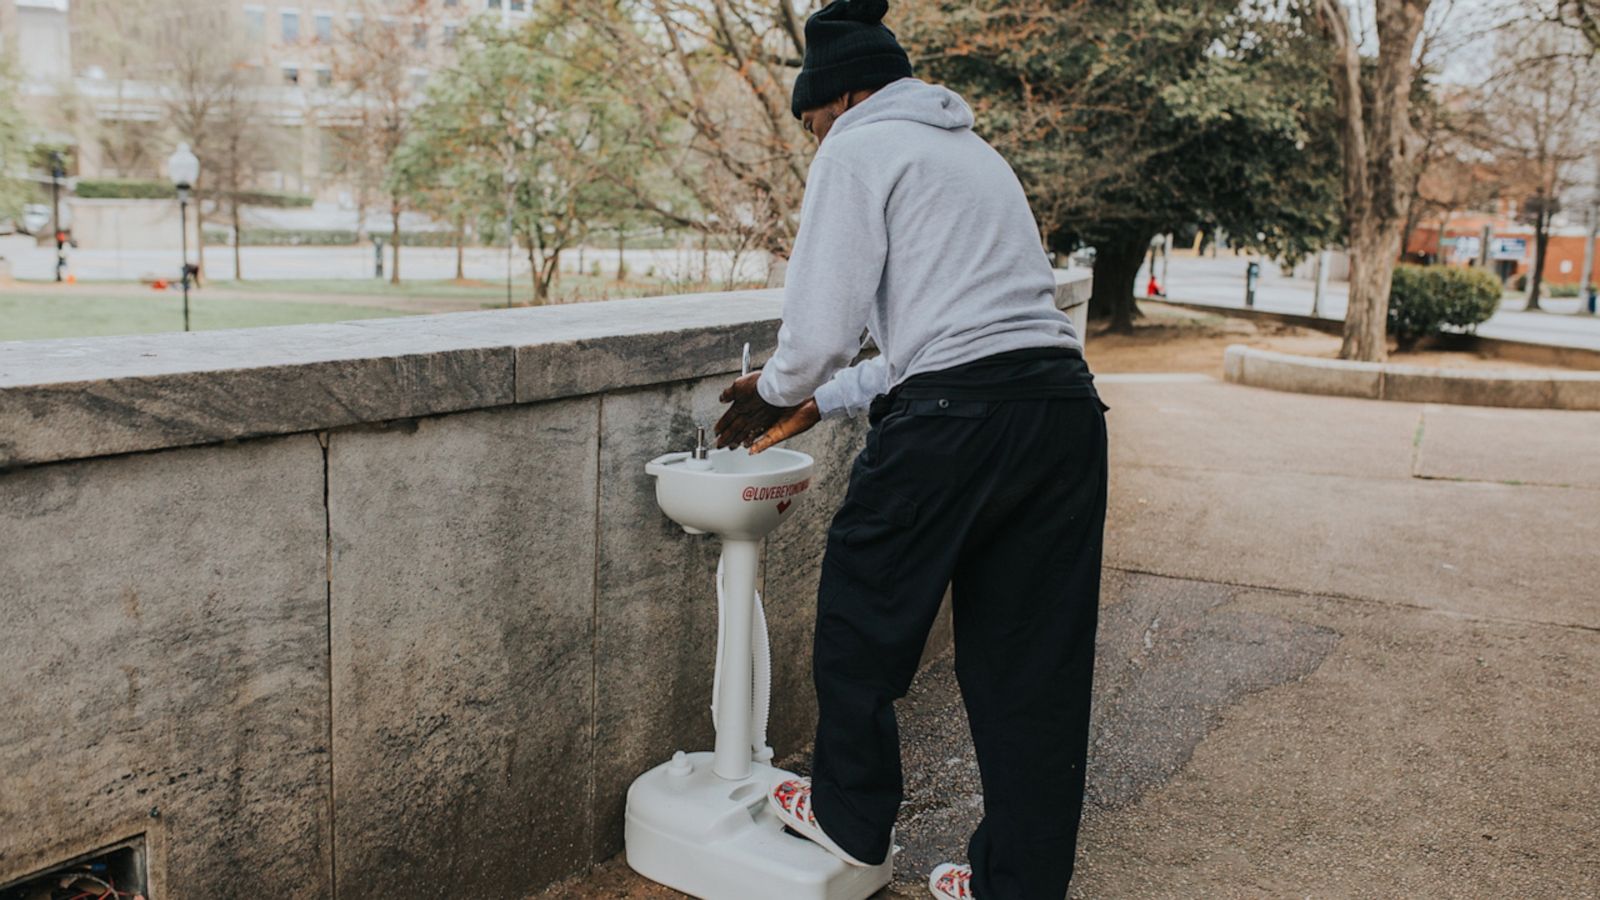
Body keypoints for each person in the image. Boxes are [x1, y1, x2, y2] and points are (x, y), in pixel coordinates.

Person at [713, 2, 1108, 897]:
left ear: (843, 95)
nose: (814, 138)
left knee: (862, 613)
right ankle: (1020, 884)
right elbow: (958, 326)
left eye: (812, 119)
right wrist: (827, 398)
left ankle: (851, 819)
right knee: (1033, 668)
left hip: (956, 421)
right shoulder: (971, 152)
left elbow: (819, 328)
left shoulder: (857, 146)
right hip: (1061, 412)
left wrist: (776, 390)